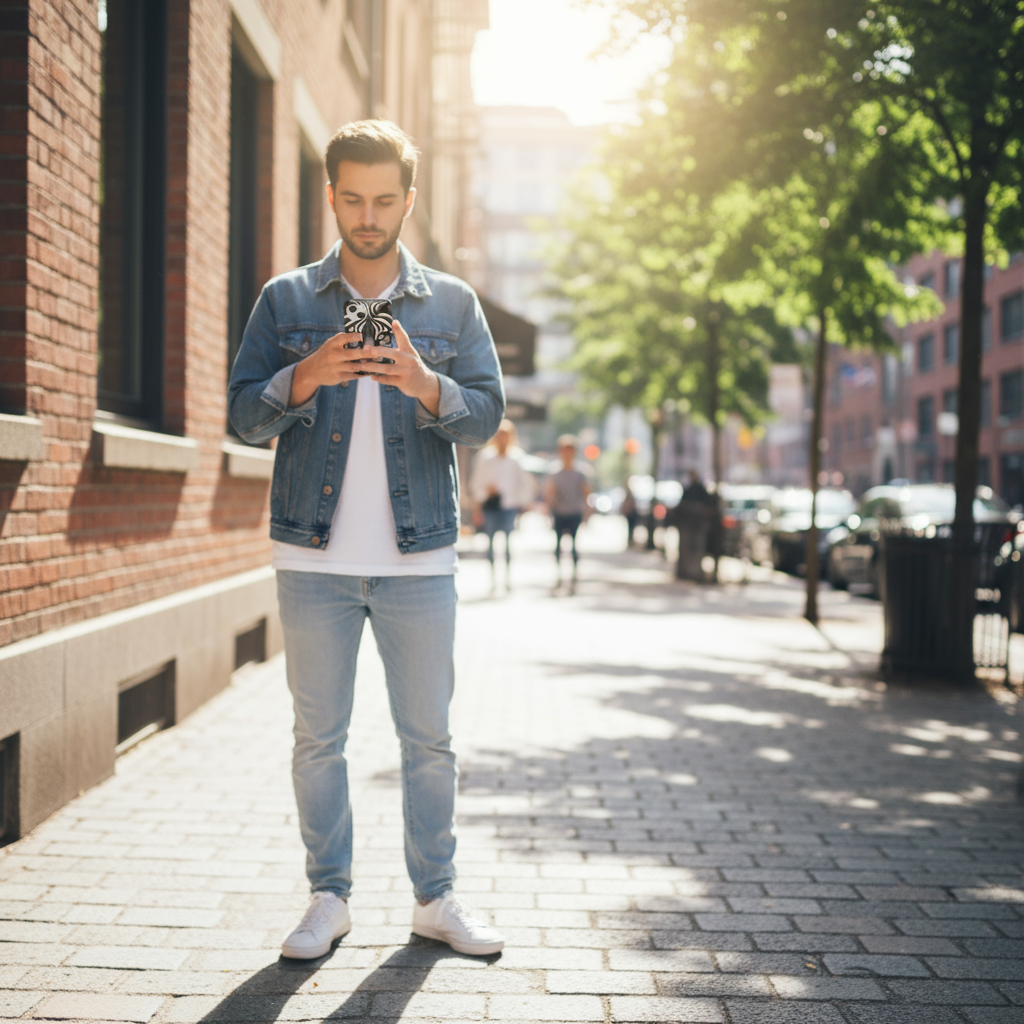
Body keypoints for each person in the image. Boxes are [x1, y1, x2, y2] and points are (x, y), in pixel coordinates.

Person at [228, 120, 506, 959]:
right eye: (352, 198)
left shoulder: (452, 304)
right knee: (319, 741)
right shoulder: (286, 301)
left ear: (409, 200)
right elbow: (242, 416)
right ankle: (329, 897)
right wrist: (305, 375)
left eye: (385, 199)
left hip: (419, 559)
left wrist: (426, 384)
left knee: (429, 740)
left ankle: (436, 899)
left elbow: (486, 416)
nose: (369, 216)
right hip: (312, 559)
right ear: (331, 196)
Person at [470, 420, 536, 590]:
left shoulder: (517, 458)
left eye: (506, 436)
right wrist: (484, 495)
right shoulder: (485, 457)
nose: (502, 439)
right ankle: (493, 580)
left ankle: (507, 580)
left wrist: (524, 503)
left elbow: (525, 484)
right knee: (490, 544)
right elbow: (476, 484)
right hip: (490, 505)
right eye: (499, 436)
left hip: (509, 506)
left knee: (507, 544)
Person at [545, 435, 591, 589]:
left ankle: (574, 574)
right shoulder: (555, 472)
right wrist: (549, 510)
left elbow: (586, 493)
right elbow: (550, 493)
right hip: (559, 512)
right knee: (558, 545)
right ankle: (559, 574)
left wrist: (588, 513)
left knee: (574, 545)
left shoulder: (580, 472)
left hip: (575, 512)